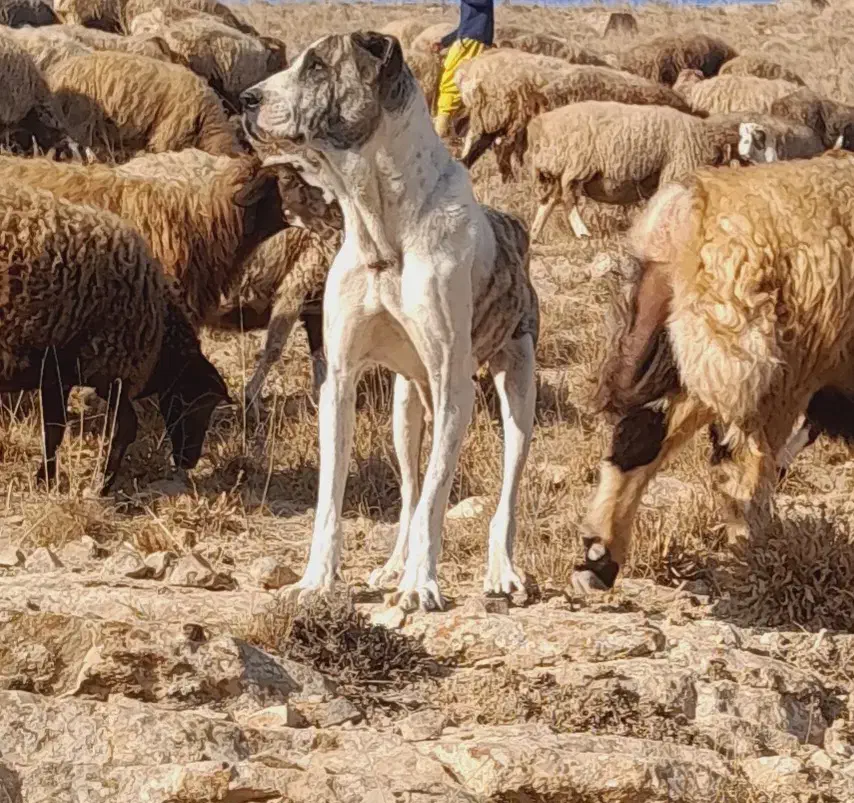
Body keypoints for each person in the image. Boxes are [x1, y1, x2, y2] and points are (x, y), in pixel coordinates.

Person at [431, 0, 494, 138]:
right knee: (466, 85)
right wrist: (444, 42)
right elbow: (464, 26)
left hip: (470, 42)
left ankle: (440, 131)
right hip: (471, 39)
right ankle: (458, 131)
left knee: (450, 83)